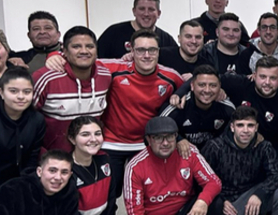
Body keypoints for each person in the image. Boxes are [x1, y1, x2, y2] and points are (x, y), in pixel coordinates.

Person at [99, 30, 184, 199]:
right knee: (109, 194)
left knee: (148, 194)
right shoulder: (115, 69)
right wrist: (55, 55)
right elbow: (82, 60)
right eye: (140, 50)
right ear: (131, 51)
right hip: (112, 142)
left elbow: (188, 92)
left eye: (152, 50)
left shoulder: (170, 77)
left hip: (147, 144)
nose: (147, 55)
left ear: (158, 52)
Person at [32, 26, 111, 152]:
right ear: (65, 51)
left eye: (90, 46)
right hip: (54, 158)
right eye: (76, 47)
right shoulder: (46, 78)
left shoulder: (105, 76)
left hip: (90, 156)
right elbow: (27, 119)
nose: (84, 51)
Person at [219, 56, 278, 169]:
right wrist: (217, 89)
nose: (267, 82)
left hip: (264, 157)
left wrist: (277, 170)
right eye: (262, 77)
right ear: (254, 75)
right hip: (232, 152)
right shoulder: (241, 84)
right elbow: (205, 78)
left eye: (273, 78)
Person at [160, 65, 235, 149]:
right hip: (182, 156)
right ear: (192, 86)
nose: (207, 90)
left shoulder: (228, 109)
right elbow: (159, 129)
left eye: (213, 86)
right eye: (202, 85)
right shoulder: (178, 107)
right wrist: (178, 139)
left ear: (220, 87)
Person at [96, 0, 177, 59]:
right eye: (142, 9)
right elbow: (97, 62)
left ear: (158, 13)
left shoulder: (167, 41)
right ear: (134, 11)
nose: (146, 14)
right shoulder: (113, 33)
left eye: (151, 9)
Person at [0, 68, 45, 185]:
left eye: (27, 92)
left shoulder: (37, 120)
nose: (21, 97)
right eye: (13, 91)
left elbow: (33, 158)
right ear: (1, 92)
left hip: (21, 181)